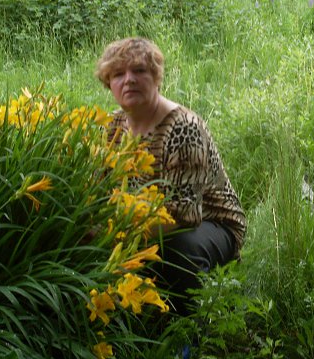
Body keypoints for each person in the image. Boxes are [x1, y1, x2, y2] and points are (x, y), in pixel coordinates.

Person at [96, 37, 246, 315]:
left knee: (176, 249)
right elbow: (99, 190)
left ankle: (190, 320)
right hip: (141, 222)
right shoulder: (112, 127)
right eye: (118, 74)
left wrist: (116, 238)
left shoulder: (183, 128)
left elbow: (184, 215)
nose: (129, 80)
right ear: (109, 83)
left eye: (139, 70)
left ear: (156, 78)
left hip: (210, 223)